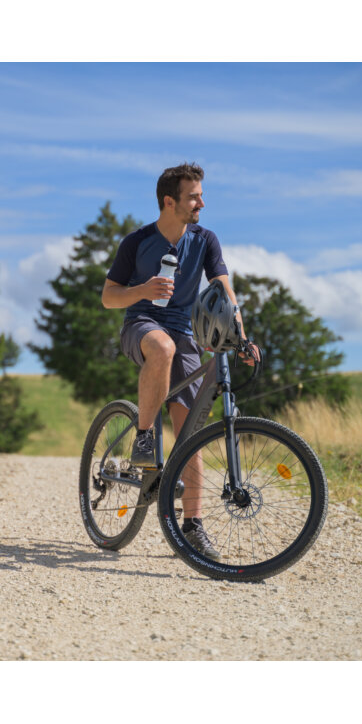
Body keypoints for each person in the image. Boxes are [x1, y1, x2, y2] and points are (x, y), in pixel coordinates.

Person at [101, 162, 260, 560]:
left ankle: (192, 526)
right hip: (141, 324)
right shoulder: (137, 242)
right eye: (193, 197)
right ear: (169, 201)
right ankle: (144, 437)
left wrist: (241, 336)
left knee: (191, 433)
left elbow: (225, 291)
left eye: (201, 196)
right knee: (163, 349)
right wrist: (142, 290)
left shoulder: (205, 240)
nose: (201, 204)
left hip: (185, 333)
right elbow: (108, 296)